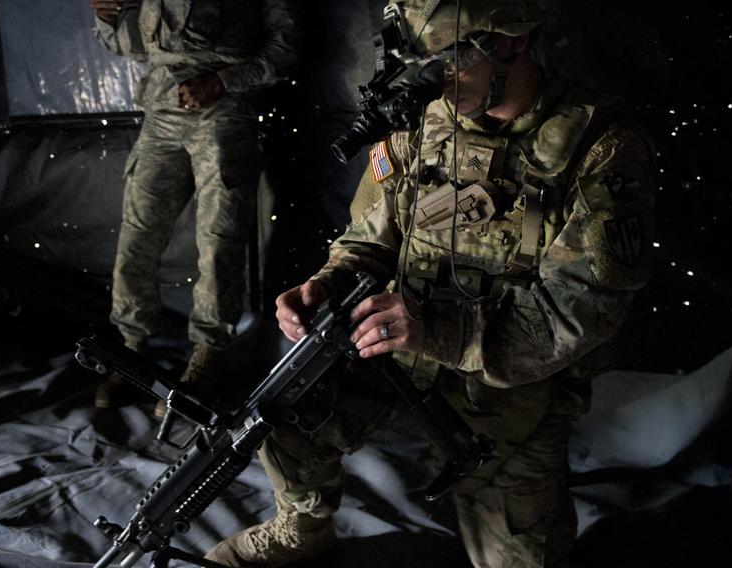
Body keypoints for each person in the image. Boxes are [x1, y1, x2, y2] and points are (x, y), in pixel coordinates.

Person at [206, 0, 655, 566]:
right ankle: (303, 525)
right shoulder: (422, 119)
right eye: (416, 62)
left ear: (513, 43)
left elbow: (581, 310)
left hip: (508, 389)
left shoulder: (600, 146)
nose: (432, 80)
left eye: (450, 58)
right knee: (277, 417)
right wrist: (329, 282)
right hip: (393, 361)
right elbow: (368, 237)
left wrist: (437, 329)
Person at [88, 0, 301, 413]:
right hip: (161, 112)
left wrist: (224, 80)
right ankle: (131, 352)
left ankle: (207, 356)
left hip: (223, 110)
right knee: (138, 233)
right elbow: (133, 47)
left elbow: (287, 47)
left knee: (219, 237)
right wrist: (105, 16)